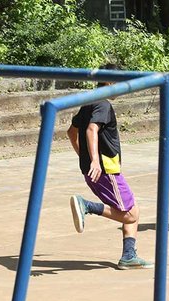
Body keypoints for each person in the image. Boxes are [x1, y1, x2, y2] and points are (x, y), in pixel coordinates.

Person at [67, 64, 150, 270]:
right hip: (106, 169)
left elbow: (71, 132)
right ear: (111, 82)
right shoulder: (102, 104)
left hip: (97, 169)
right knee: (131, 214)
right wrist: (94, 160)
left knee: (133, 210)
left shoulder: (88, 101)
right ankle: (87, 206)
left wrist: (85, 158)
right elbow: (91, 130)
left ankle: (128, 255)